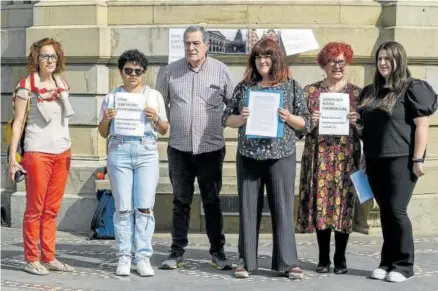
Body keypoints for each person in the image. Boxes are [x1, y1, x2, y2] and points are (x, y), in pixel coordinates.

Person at [223, 38, 310, 279]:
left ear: (276, 59)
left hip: (281, 155)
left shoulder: (290, 86)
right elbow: (226, 118)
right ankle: (246, 261)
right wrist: (240, 119)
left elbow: (307, 122)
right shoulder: (244, 87)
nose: (263, 61)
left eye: (268, 56)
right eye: (259, 56)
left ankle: (288, 262)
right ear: (254, 60)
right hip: (249, 155)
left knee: (282, 208)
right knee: (248, 209)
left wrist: (288, 117)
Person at [357, 41, 437, 283]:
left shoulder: (412, 88)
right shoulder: (370, 92)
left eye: (388, 59)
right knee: (385, 213)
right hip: (374, 159)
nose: (383, 63)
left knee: (397, 210)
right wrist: (356, 126)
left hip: (401, 159)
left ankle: (404, 265)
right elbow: (368, 129)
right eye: (380, 58)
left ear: (398, 61)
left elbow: (422, 126)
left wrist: (418, 159)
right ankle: (387, 262)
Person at [155, 26, 234, 270]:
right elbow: (159, 106)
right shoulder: (170, 72)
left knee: (212, 201)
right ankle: (176, 252)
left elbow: (233, 106)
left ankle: (218, 253)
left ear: (206, 45)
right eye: (187, 43)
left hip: (210, 148)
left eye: (196, 43)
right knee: (180, 201)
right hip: (179, 148)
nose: (191, 48)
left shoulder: (221, 71)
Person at [98, 49, 169, 277]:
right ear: (121, 72)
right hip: (119, 150)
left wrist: (155, 118)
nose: (133, 75)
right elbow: (101, 133)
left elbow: (165, 129)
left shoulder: (154, 96)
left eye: (138, 71)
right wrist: (107, 120)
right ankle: (124, 256)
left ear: (144, 73)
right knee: (123, 207)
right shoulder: (111, 97)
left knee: (145, 206)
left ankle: (143, 256)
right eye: (128, 70)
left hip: (146, 150)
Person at [8, 38, 74, 275]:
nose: (50, 60)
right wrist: (12, 158)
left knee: (52, 209)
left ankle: (49, 256)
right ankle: (31, 258)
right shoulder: (26, 86)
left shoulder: (62, 84)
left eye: (54, 56)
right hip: (38, 152)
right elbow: (18, 124)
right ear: (36, 58)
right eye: (45, 56)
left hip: (62, 152)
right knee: (35, 208)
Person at [295, 42, 362, 275]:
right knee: (321, 204)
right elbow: (297, 130)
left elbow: (369, 131)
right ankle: (323, 257)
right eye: (332, 61)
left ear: (348, 63)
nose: (337, 66)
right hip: (319, 157)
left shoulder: (357, 94)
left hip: (346, 159)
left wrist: (358, 123)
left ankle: (340, 257)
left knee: (344, 205)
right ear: (323, 65)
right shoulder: (310, 92)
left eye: (342, 61)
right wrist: (309, 121)